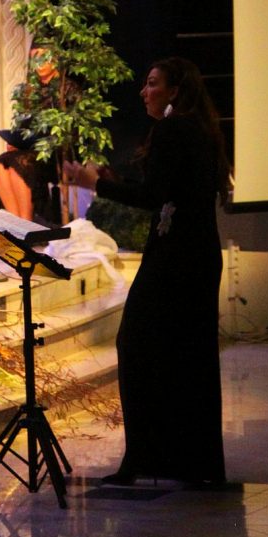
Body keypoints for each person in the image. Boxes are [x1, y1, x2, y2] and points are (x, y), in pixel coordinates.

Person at [64, 57, 230, 485]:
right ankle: (189, 461)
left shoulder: (174, 129)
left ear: (175, 90)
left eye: (153, 83)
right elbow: (169, 190)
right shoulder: (198, 127)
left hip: (176, 257)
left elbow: (153, 196)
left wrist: (94, 183)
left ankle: (146, 458)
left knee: (137, 345)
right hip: (196, 252)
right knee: (186, 357)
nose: (143, 91)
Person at [0, 126, 54, 226]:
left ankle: (26, 222)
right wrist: (13, 142)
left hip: (46, 149)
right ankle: (14, 221)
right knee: (0, 161)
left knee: (22, 160)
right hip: (24, 148)